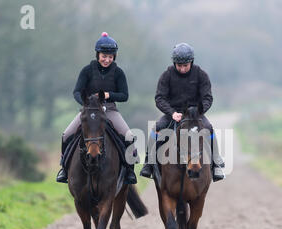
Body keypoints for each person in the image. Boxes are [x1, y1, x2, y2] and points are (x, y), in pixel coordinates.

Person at [56, 32, 137, 184]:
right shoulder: (86, 71)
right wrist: (86, 105)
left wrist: (108, 95)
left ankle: (129, 172)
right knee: (66, 135)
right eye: (104, 56)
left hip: (110, 110)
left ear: (114, 56)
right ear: (97, 54)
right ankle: (64, 169)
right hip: (89, 111)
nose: (107, 59)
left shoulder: (118, 73)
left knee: (129, 136)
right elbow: (77, 92)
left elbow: (124, 96)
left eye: (110, 56)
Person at [139, 42, 225, 181]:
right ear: (174, 63)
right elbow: (159, 98)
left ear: (191, 62)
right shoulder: (167, 75)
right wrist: (172, 113)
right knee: (156, 129)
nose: (183, 69)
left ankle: (216, 164)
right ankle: (148, 163)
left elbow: (207, 97)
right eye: (179, 65)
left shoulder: (201, 74)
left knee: (209, 128)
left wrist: (199, 111)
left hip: (195, 115)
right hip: (174, 114)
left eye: (186, 65)